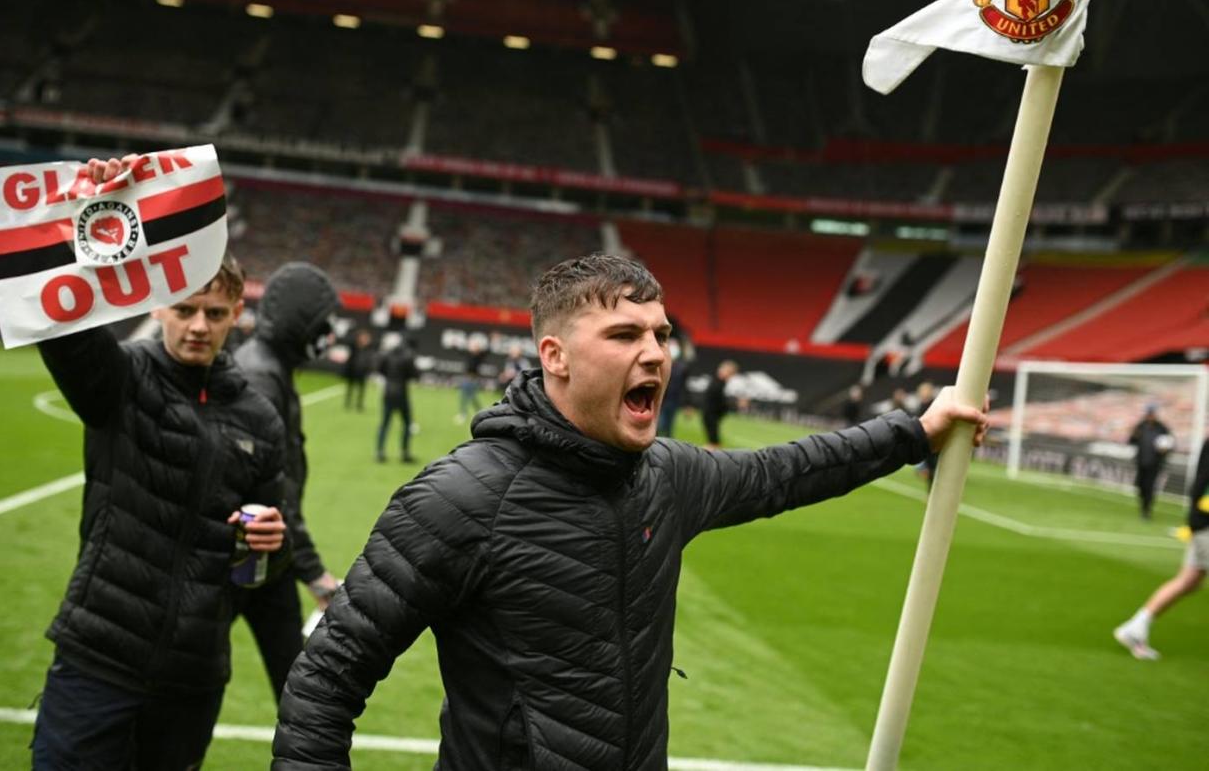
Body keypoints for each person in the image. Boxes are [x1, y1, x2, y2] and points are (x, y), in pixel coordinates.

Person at [272, 253, 988, 769]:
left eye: (662, 335)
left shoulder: (664, 477)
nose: (654, 353)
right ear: (554, 355)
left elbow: (786, 472)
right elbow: (327, 678)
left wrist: (913, 433)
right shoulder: (461, 497)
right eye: (624, 336)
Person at [29, 158, 288, 771]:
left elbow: (256, 579)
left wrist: (269, 549)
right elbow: (61, 322)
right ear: (161, 308)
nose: (198, 326)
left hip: (192, 678)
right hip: (98, 660)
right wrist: (85, 219)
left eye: (215, 313)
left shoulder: (259, 419)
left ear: (236, 317)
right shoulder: (122, 378)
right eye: (185, 308)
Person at [233, 262, 342, 703]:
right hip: (243, 551)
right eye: (321, 322)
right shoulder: (261, 376)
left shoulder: (269, 369)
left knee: (296, 687)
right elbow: (273, 491)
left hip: (262, 548)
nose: (329, 333)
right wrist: (315, 572)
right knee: (294, 689)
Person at [1113, 438, 1209, 660]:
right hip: (1205, 523)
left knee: (1190, 580)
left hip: (1200, 521)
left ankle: (1136, 627)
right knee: (1189, 579)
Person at [376, 334, 419, 463]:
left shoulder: (386, 355)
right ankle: (404, 453)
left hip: (388, 392)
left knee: (384, 423)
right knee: (406, 424)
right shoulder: (407, 357)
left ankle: (380, 452)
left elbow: (380, 369)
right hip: (401, 393)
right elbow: (414, 374)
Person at [1128, 403, 1172, 519]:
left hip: (1155, 464)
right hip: (1141, 462)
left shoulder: (1162, 428)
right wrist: (1133, 436)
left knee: (1149, 486)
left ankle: (1146, 510)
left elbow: (1169, 445)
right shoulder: (1140, 426)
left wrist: (1164, 451)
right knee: (1140, 486)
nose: (1150, 415)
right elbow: (1131, 441)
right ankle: (1144, 505)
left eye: (1151, 413)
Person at [701, 359, 743, 449]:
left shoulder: (719, 383)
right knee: (714, 444)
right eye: (729, 372)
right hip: (710, 416)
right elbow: (720, 403)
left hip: (711, 415)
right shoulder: (717, 384)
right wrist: (736, 405)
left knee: (714, 443)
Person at [656, 337, 689, 438]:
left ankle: (666, 446)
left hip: (674, 400)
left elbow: (684, 387)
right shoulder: (659, 363)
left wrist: (687, 404)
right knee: (659, 424)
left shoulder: (682, 367)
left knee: (669, 426)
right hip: (661, 399)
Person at [454, 338, 486, 423]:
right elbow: (459, 351)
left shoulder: (479, 356)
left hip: (474, 379)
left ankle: (480, 413)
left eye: (474, 346)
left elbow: (487, 351)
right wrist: (455, 344)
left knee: (472, 397)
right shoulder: (468, 354)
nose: (472, 347)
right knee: (464, 396)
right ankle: (463, 414)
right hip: (466, 378)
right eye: (471, 346)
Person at [342, 327, 373, 411]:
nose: (364, 338)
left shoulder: (368, 347)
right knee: (350, 386)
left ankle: (359, 404)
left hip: (362, 371)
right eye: (362, 337)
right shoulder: (353, 345)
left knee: (361, 388)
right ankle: (348, 402)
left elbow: (369, 359)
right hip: (353, 370)